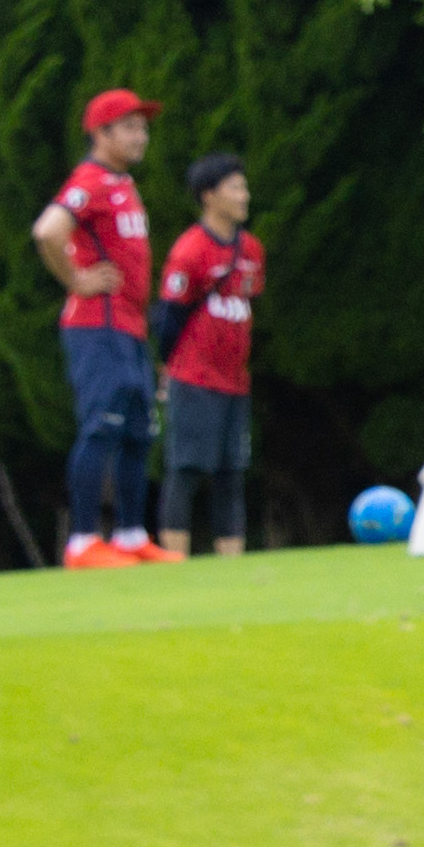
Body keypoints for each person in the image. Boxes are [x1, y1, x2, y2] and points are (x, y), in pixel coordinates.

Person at [31, 88, 166, 566]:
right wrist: (77, 280)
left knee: (139, 431)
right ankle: (83, 540)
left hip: (129, 327)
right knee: (101, 427)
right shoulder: (90, 179)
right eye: (129, 126)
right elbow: (49, 229)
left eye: (143, 127)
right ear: (101, 133)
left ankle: (131, 535)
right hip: (97, 325)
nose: (140, 136)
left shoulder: (123, 183)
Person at [151, 155, 264, 560]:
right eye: (235, 188)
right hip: (194, 377)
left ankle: (230, 560)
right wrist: (168, 368)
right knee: (186, 468)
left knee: (232, 471)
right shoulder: (190, 251)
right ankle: (174, 561)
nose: (244, 195)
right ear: (209, 196)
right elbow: (168, 318)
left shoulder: (251, 249)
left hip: (235, 380)